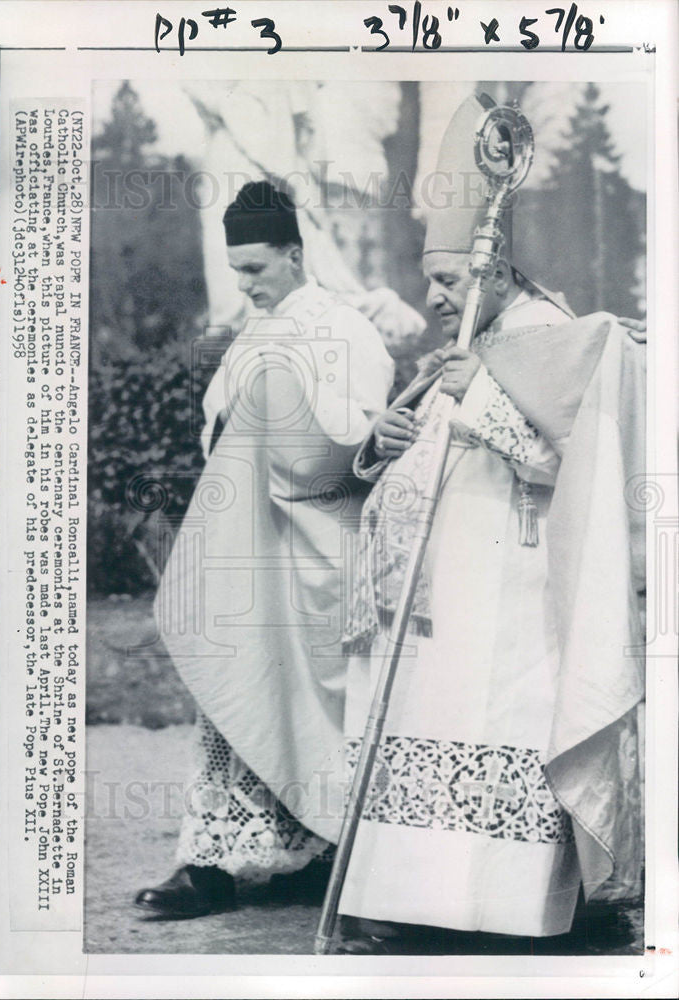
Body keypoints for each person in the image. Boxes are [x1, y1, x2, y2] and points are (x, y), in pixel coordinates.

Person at [336, 93, 645, 954]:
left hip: (510, 585)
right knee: (421, 726)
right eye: (429, 281)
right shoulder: (464, 343)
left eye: (445, 281)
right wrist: (387, 440)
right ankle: (414, 899)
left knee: (492, 725)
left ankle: (501, 913)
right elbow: (429, 449)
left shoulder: (550, 332)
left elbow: (572, 455)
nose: (433, 297)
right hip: (444, 593)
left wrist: (479, 395)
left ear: (495, 270)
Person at [135, 181, 398, 918]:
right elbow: (220, 433)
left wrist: (283, 429)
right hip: (251, 545)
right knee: (239, 690)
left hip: (316, 541)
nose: (244, 285)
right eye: (235, 271)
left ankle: (316, 856)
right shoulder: (255, 334)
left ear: (295, 253)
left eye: (255, 268)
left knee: (311, 708)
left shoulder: (346, 330)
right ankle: (210, 863)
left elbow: (362, 445)